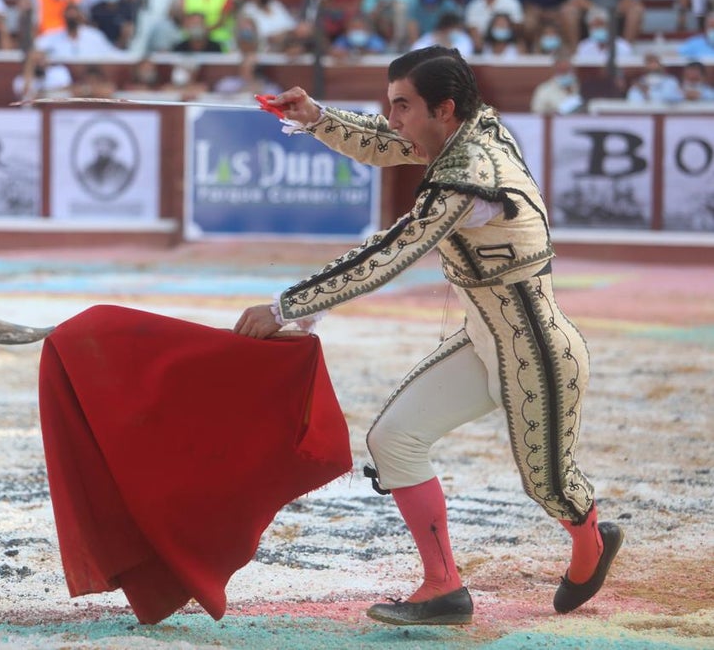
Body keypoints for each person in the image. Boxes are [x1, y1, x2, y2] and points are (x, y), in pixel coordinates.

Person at [235, 46, 623, 626]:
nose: (393, 120)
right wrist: (316, 117)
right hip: (485, 337)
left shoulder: (470, 177)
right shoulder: (465, 128)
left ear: (443, 109)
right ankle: (444, 588)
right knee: (393, 439)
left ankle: (592, 540)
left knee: (550, 486)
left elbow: (396, 249)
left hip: (537, 348)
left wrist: (288, 306)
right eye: (391, 105)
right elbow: (389, 143)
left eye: (402, 106)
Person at [530, 49, 583, 115]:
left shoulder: (582, 87)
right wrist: (552, 114)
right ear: (554, 69)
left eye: (567, 71)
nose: (565, 74)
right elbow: (536, 113)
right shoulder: (544, 90)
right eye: (562, 71)